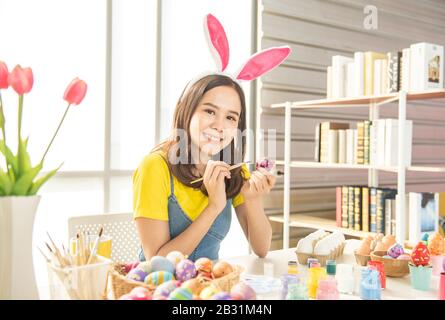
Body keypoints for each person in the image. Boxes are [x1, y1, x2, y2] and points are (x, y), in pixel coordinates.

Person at [132, 13, 291, 261]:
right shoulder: (155, 167)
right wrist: (214, 207)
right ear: (187, 110)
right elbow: (157, 262)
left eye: (230, 117)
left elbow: (261, 249)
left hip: (210, 287)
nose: (219, 126)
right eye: (209, 111)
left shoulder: (233, 169)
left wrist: (252, 199)